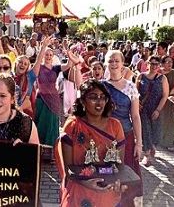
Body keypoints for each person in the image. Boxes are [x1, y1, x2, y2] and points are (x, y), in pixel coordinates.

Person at [55, 79, 127, 207]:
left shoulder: (115, 125)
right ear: (83, 101)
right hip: (79, 192)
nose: (99, 101)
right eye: (93, 97)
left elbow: (119, 165)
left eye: (102, 97)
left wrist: (118, 183)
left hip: (107, 193)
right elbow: (68, 168)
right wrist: (85, 182)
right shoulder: (73, 126)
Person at [101, 50, 143, 206]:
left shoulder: (130, 87)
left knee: (124, 176)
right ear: (106, 63)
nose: (113, 64)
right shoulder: (100, 86)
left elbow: (136, 117)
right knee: (106, 174)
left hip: (126, 138)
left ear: (122, 63)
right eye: (110, 61)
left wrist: (139, 143)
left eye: (116, 61)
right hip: (104, 137)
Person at [34, 47, 74, 147]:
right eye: (46, 54)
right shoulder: (39, 67)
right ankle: (38, 147)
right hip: (41, 99)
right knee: (40, 124)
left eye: (50, 55)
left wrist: (69, 54)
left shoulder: (56, 68)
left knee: (51, 125)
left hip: (53, 100)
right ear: (43, 55)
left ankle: (52, 149)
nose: (48, 57)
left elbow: (68, 65)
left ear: (53, 57)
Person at [136, 55, 169, 166]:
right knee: (145, 131)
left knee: (156, 132)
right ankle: (147, 155)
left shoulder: (162, 78)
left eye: (156, 64)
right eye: (152, 63)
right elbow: (135, 93)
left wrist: (158, 110)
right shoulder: (141, 77)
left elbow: (165, 95)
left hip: (156, 108)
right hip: (143, 109)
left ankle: (152, 146)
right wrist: (137, 104)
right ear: (147, 64)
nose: (154, 66)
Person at [159, 55, 174, 152]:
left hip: (170, 100)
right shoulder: (158, 73)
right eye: (167, 62)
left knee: (170, 121)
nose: (169, 64)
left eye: (171, 62)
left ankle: (169, 142)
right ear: (162, 63)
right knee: (159, 119)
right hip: (159, 99)